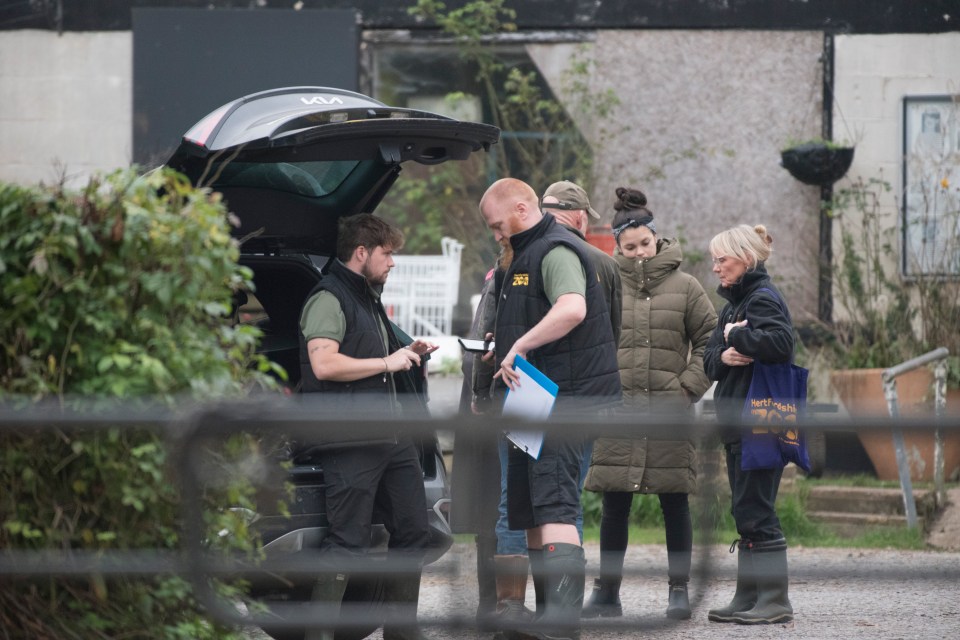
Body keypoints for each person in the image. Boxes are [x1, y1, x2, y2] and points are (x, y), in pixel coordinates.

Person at [478, 178, 622, 640]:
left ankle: (561, 626)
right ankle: (543, 620)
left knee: (557, 506)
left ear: (522, 209)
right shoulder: (521, 254)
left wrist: (518, 344)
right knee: (532, 510)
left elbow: (572, 309)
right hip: (533, 399)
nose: (496, 234)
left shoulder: (556, 249)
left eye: (497, 225)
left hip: (566, 400)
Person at [298, 213, 440, 640]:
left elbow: (373, 357)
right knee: (347, 544)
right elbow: (323, 364)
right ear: (362, 253)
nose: (393, 262)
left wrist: (406, 352)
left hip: (392, 439)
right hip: (351, 439)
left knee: (415, 532)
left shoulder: (367, 297)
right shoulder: (328, 297)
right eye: (387, 253)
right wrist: (387, 361)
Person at [580, 187, 717, 620]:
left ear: (656, 237)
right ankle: (607, 593)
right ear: (616, 245)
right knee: (614, 503)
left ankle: (679, 591)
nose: (640, 252)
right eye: (630, 246)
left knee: (674, 500)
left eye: (646, 243)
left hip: (668, 411)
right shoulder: (602, 282)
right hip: (616, 410)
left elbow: (710, 341)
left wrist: (687, 389)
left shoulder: (687, 286)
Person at [702, 223, 796, 625]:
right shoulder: (732, 306)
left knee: (756, 507)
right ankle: (749, 595)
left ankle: (774, 601)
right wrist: (723, 353)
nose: (716, 269)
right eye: (714, 261)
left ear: (746, 258)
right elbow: (708, 359)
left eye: (722, 260)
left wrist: (737, 338)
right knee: (745, 508)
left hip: (763, 419)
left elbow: (781, 342)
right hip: (741, 421)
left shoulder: (761, 298)